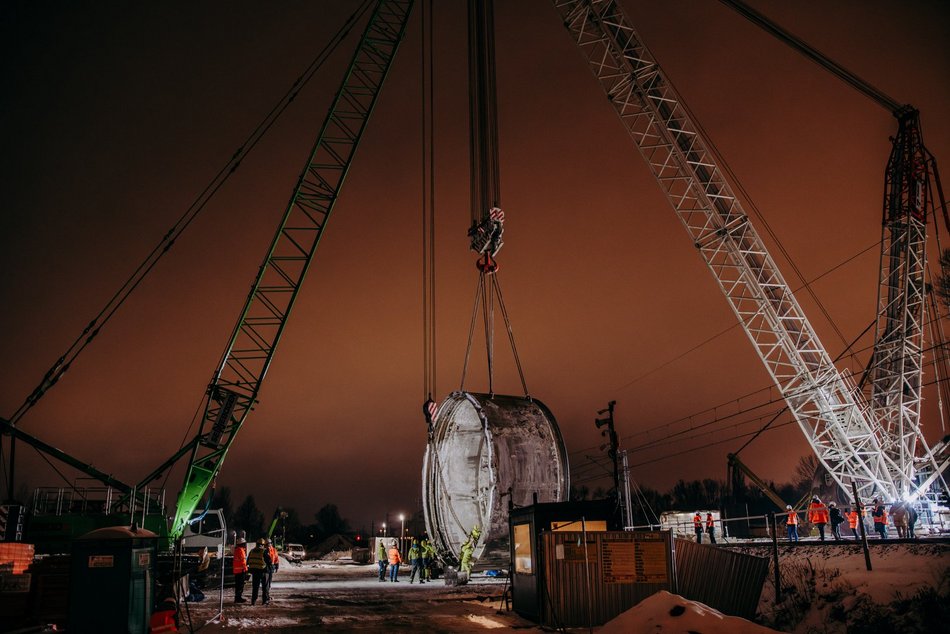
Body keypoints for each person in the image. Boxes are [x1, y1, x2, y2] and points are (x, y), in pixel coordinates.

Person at [247, 537, 273, 605]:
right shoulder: (264, 551)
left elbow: (248, 561)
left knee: (255, 587)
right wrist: (271, 568)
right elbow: (269, 561)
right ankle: (265, 601)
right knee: (265, 587)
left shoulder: (252, 551)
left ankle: (253, 601)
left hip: (254, 572)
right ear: (263, 544)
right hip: (263, 571)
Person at [233, 536, 249, 603]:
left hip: (237, 571)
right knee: (240, 585)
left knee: (238, 585)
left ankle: (237, 597)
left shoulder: (236, 550)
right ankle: (238, 598)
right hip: (241, 571)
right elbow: (243, 561)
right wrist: (246, 568)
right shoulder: (241, 550)